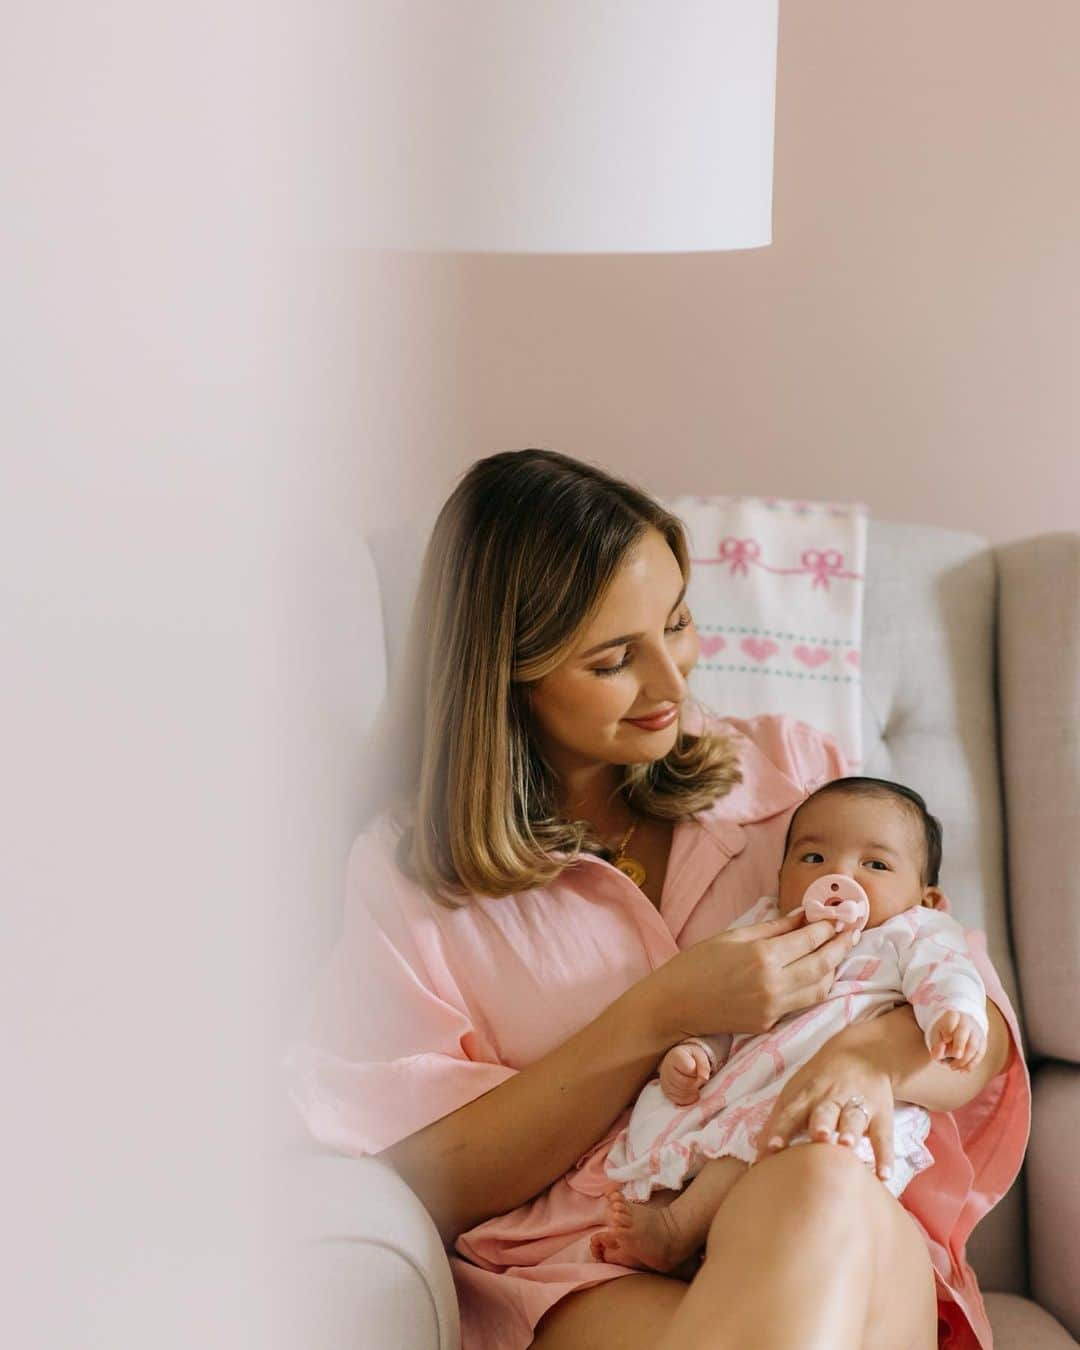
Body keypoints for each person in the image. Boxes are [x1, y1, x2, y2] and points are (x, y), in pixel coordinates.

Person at [284, 449, 1030, 1350]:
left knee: (824, 1185)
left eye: (677, 623)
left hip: (848, 1223)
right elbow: (425, 1173)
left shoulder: (802, 779)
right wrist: (660, 1014)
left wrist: (869, 1062)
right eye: (613, 661)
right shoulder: (412, 873)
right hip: (589, 1264)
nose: (676, 686)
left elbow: (975, 1032)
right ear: (503, 673)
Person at [589, 777, 991, 1276]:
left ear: (926, 898)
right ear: (781, 876)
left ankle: (677, 1234)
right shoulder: (767, 927)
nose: (842, 876)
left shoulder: (913, 931)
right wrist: (700, 1053)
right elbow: (722, 1008)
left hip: (838, 1109)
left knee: (777, 1134)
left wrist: (954, 1014)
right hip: (744, 1093)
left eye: (876, 865)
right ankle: (684, 1231)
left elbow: (947, 972)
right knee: (682, 1123)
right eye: (814, 859)